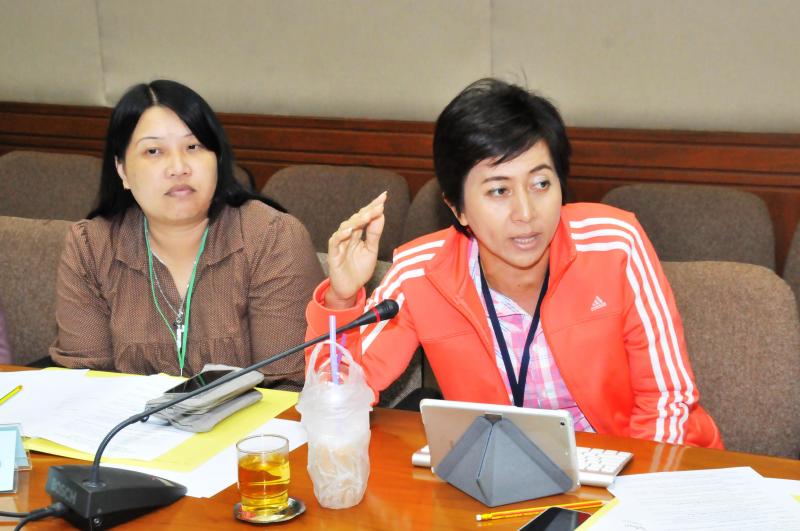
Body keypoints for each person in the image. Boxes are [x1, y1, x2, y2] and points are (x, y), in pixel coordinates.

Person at [306, 78, 722, 447]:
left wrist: (631, 495)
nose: (526, 212)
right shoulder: (422, 273)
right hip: (506, 480)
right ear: (457, 208)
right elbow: (333, 399)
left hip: (633, 464)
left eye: (541, 183)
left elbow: (668, 402)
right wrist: (342, 298)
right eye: (499, 191)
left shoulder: (615, 244)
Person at [50, 80, 323, 390]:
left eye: (193, 147)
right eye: (154, 151)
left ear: (217, 158)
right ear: (122, 169)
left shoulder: (270, 237)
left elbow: (289, 387)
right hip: (130, 423)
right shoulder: (90, 247)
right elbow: (84, 383)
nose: (178, 167)